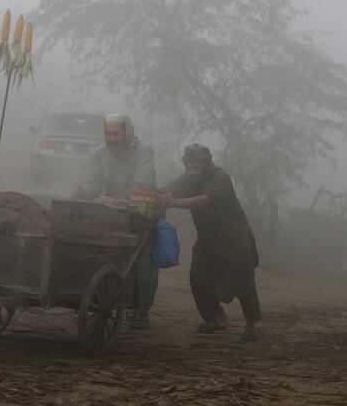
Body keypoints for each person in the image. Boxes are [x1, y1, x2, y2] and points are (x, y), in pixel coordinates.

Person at [163, 144, 262, 343]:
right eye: (189, 166)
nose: (192, 171)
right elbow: (165, 190)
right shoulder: (188, 179)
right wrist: (148, 195)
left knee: (243, 282)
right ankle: (215, 318)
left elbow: (204, 200)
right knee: (197, 276)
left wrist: (173, 203)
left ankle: (253, 325)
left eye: (196, 166)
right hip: (208, 238)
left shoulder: (220, 177)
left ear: (206, 164)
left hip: (234, 238)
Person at [75, 113, 159, 330]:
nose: (111, 139)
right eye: (108, 134)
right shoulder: (99, 154)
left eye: (116, 134)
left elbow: (140, 184)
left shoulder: (144, 151)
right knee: (106, 255)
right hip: (113, 213)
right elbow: (93, 182)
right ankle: (109, 299)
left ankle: (142, 311)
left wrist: (117, 199)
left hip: (142, 213)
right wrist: (84, 190)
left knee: (144, 263)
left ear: (127, 132)